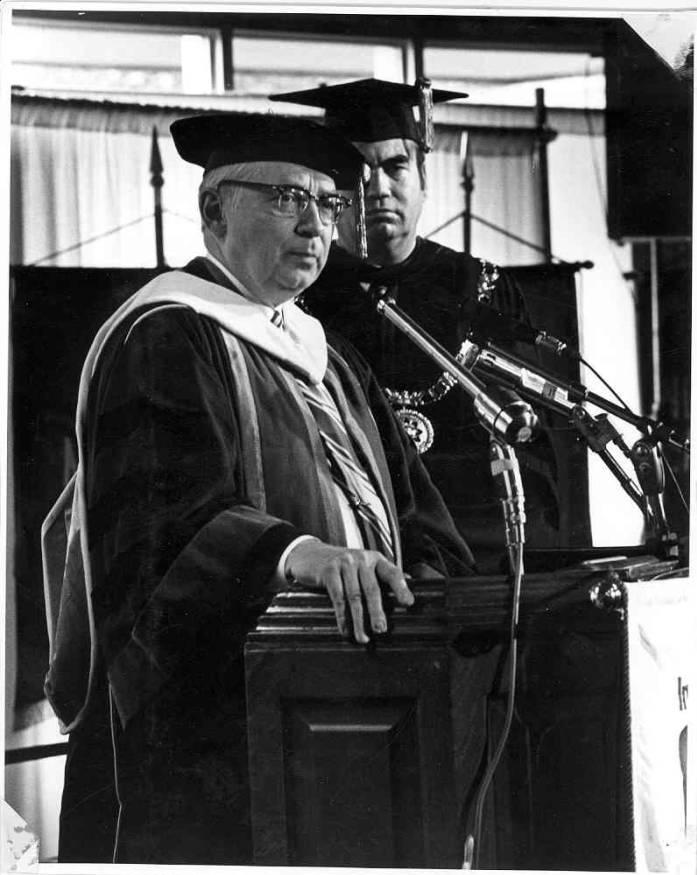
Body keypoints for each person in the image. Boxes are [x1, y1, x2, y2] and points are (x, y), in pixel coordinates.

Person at [41, 112, 476, 865]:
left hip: (357, 712)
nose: (315, 226)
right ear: (214, 210)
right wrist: (297, 553)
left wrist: (423, 592)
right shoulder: (165, 335)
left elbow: (416, 515)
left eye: (326, 203)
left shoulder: (329, 357)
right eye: (284, 197)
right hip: (219, 734)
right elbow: (153, 529)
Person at [270, 79, 561, 570]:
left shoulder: (480, 288)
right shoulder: (296, 300)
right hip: (356, 554)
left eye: (395, 167)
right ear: (329, 187)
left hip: (478, 558)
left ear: (423, 179)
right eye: (356, 171)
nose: (377, 188)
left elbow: (531, 451)